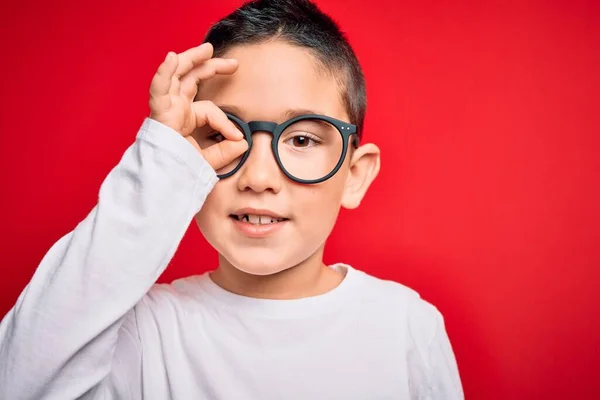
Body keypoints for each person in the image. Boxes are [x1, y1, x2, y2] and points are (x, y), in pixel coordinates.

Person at [0, 0, 464, 398]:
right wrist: (161, 161)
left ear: (355, 176)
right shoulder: (142, 333)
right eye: (225, 132)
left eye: (301, 140)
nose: (258, 177)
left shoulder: (406, 328)